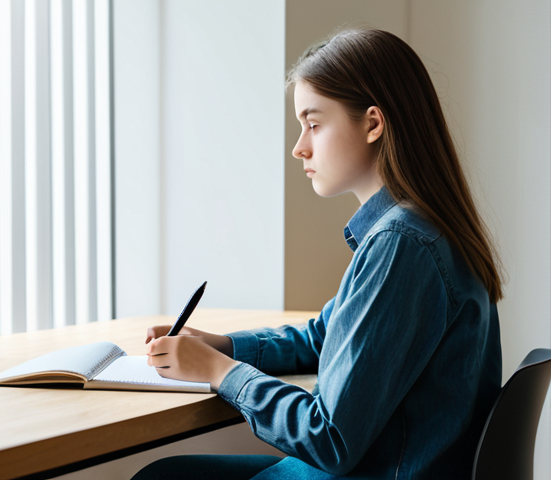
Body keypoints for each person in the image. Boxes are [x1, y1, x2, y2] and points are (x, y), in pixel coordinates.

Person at [132, 28, 503, 480]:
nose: (298, 146)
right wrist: (224, 346)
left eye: (313, 123)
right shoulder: (424, 230)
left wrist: (218, 370)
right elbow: (321, 337)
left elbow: (328, 439)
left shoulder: (402, 244)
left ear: (372, 123)